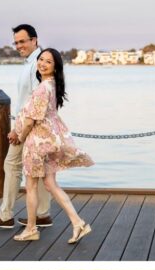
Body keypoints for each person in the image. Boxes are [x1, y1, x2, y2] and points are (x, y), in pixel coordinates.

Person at [11, 48, 94, 245]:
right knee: (50, 184)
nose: (42, 63)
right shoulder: (52, 85)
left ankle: (31, 228)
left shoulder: (41, 89)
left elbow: (31, 121)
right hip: (49, 141)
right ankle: (78, 223)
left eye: (48, 62)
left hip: (37, 143)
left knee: (31, 186)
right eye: (41, 59)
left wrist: (20, 137)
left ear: (55, 67)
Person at [0, 24, 53, 231]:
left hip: (30, 128)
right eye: (16, 42)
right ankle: (43, 214)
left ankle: (5, 215)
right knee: (41, 169)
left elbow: (34, 104)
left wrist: (19, 131)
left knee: (11, 165)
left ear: (34, 40)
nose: (18, 45)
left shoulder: (36, 64)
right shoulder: (34, 63)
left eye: (22, 41)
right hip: (39, 128)